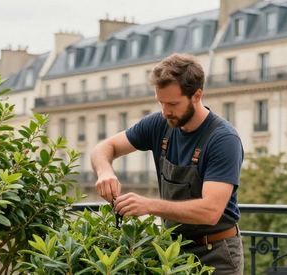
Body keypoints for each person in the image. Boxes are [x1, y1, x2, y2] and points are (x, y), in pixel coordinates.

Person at [90, 53, 244, 274]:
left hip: (216, 254)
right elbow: (103, 148)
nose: (165, 111)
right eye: (161, 102)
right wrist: (105, 172)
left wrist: (149, 206)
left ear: (196, 96)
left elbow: (210, 211)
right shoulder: (159, 123)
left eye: (172, 103)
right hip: (172, 253)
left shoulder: (223, 139)